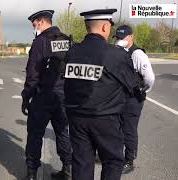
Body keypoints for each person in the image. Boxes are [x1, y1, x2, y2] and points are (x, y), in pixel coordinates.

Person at [64, 9, 142, 180]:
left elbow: (65, 84)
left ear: (87, 27)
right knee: (113, 161)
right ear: (106, 27)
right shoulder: (116, 55)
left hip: (76, 118)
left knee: (81, 162)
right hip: (106, 119)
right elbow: (133, 86)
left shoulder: (72, 52)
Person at [21, 10, 72, 180]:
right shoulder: (66, 40)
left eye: (34, 24)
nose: (34, 27)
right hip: (63, 96)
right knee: (63, 133)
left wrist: (26, 96)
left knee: (35, 134)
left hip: (43, 95)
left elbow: (33, 72)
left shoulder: (40, 42)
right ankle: (67, 169)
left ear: (42, 22)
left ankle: (31, 174)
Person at [114, 25, 155, 174]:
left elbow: (149, 78)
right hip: (119, 97)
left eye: (122, 37)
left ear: (131, 37)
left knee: (129, 129)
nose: (119, 40)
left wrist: (141, 91)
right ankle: (114, 155)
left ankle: (129, 160)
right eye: (117, 38)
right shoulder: (118, 52)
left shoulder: (137, 54)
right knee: (116, 127)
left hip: (132, 98)